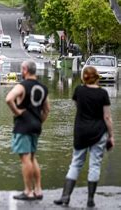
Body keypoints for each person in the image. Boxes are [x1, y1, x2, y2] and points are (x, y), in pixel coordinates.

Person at [54, 66, 114, 207]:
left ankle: (65, 197)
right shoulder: (103, 93)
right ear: (96, 77)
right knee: (94, 165)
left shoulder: (79, 91)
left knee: (76, 163)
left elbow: (77, 105)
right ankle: (90, 199)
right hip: (99, 132)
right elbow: (107, 117)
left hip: (81, 132)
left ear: (84, 77)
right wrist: (111, 136)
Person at [5, 60, 50, 200]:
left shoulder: (22, 86)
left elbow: (9, 99)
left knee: (25, 159)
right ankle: (38, 189)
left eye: (21, 69)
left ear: (25, 70)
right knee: (32, 157)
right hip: (36, 125)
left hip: (23, 126)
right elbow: (47, 110)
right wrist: (38, 121)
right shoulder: (43, 88)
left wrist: (18, 112)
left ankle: (28, 191)